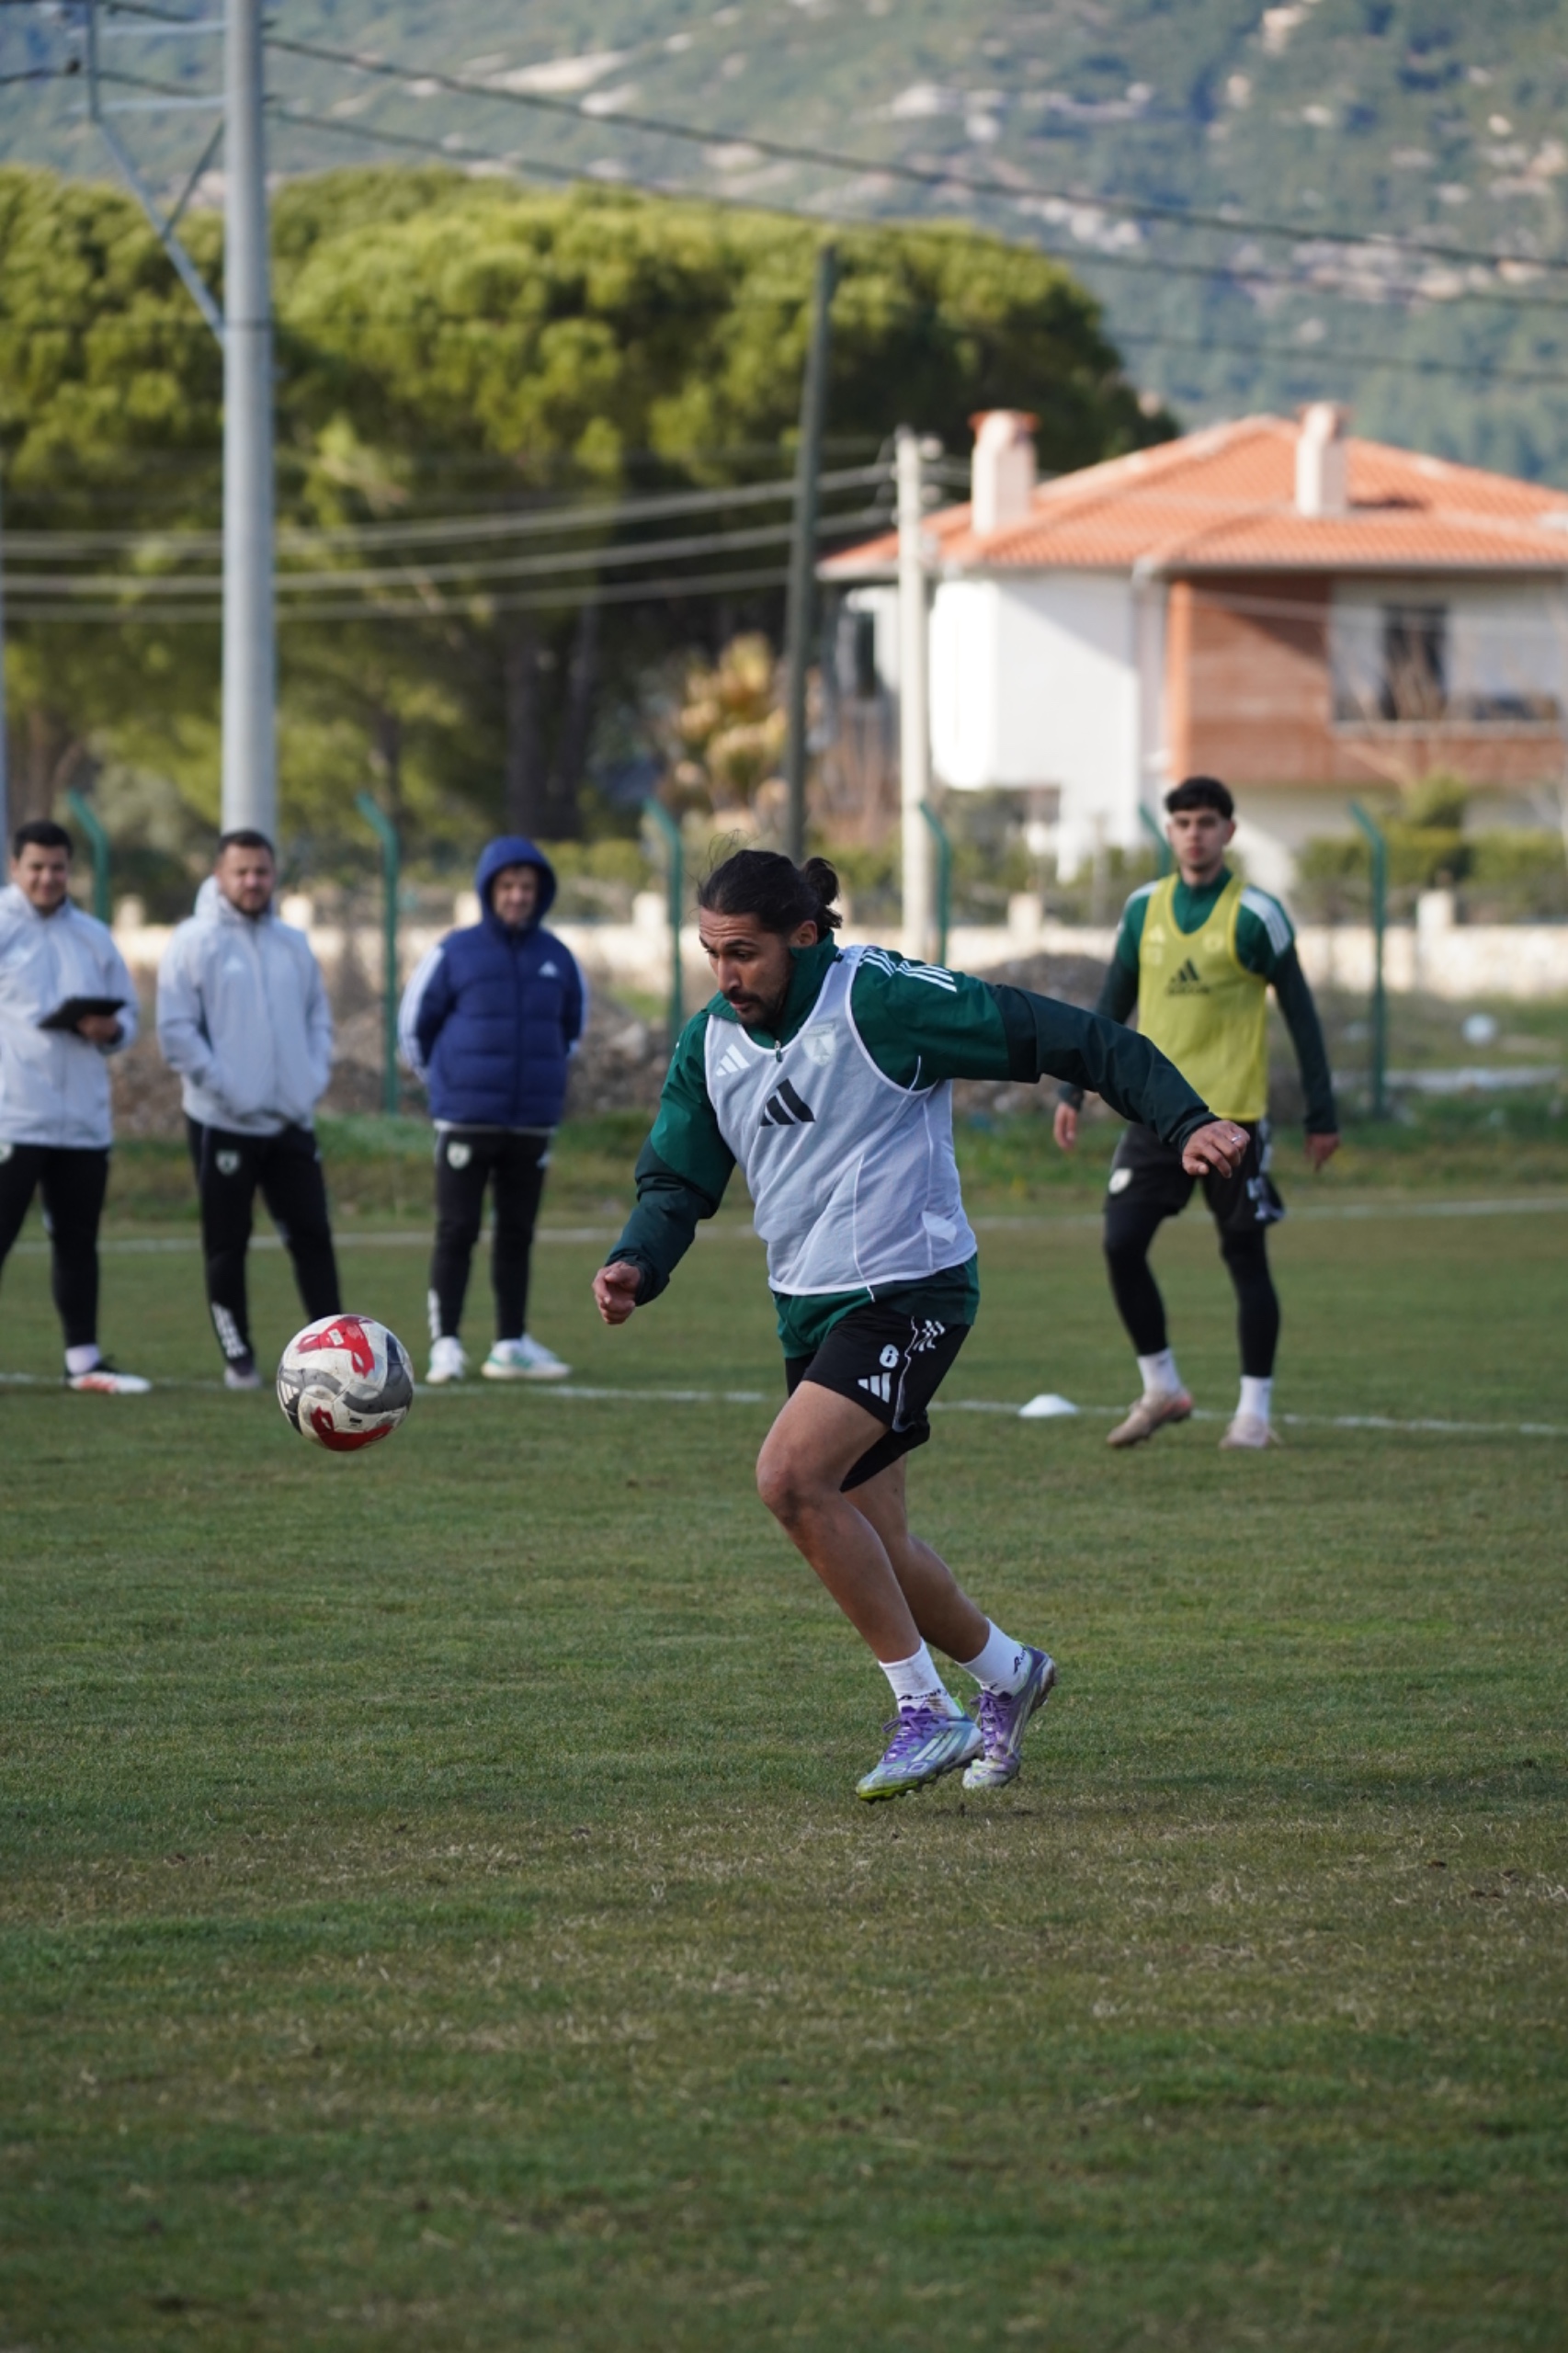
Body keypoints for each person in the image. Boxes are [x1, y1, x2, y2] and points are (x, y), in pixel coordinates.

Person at [592, 848, 1249, 1803]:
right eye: (710, 953)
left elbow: (1069, 1036)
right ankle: (1010, 1674)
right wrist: (635, 1261)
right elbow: (677, 1177)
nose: (725, 974)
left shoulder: (883, 1003)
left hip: (910, 1289)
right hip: (809, 1307)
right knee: (873, 1538)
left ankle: (922, 1708)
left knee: (787, 1476)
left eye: (743, 953)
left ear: (804, 938)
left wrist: (1181, 1117)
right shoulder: (710, 1042)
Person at [1054, 775, 1339, 1451]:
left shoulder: (1255, 914)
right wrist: (1071, 1089)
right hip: (1155, 1120)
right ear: (1169, 830)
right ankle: (1162, 1388)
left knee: (1244, 1255)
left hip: (1233, 1121)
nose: (1194, 833)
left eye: (1207, 821)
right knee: (1120, 1243)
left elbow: (1302, 1016)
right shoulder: (1142, 910)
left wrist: (1321, 1113)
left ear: (1229, 832)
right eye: (1182, 821)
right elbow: (1108, 1010)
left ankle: (1254, 1414)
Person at [398, 835, 585, 1385]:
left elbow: (570, 1032)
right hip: (464, 1118)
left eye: (527, 886)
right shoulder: (454, 952)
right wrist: (449, 1085)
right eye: (507, 885)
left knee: (517, 1234)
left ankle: (509, 1343)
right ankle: (446, 1345)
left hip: (531, 1122)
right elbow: (414, 1029)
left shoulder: (558, 958)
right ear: (488, 890)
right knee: (456, 1229)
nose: (518, 896)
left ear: (540, 893)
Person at [156, 830, 339, 1389]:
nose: (253, 882)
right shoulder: (194, 941)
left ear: (274, 874)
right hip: (223, 1122)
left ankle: (333, 1354)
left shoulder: (293, 943)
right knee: (227, 1242)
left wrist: (309, 1081)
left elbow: (318, 1020)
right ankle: (239, 1358)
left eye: (261, 871)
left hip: (290, 1121)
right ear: (220, 875)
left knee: (312, 1235)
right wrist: (227, 1087)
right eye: (241, 872)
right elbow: (176, 1031)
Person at [0, 819, 149, 1393]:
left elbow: (130, 1019)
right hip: (14, 1114)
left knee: (77, 1240)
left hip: (82, 1120)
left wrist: (109, 1028)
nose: (47, 877)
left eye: (57, 867)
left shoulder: (92, 935)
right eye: (35, 867)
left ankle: (83, 1361)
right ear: (15, 868)